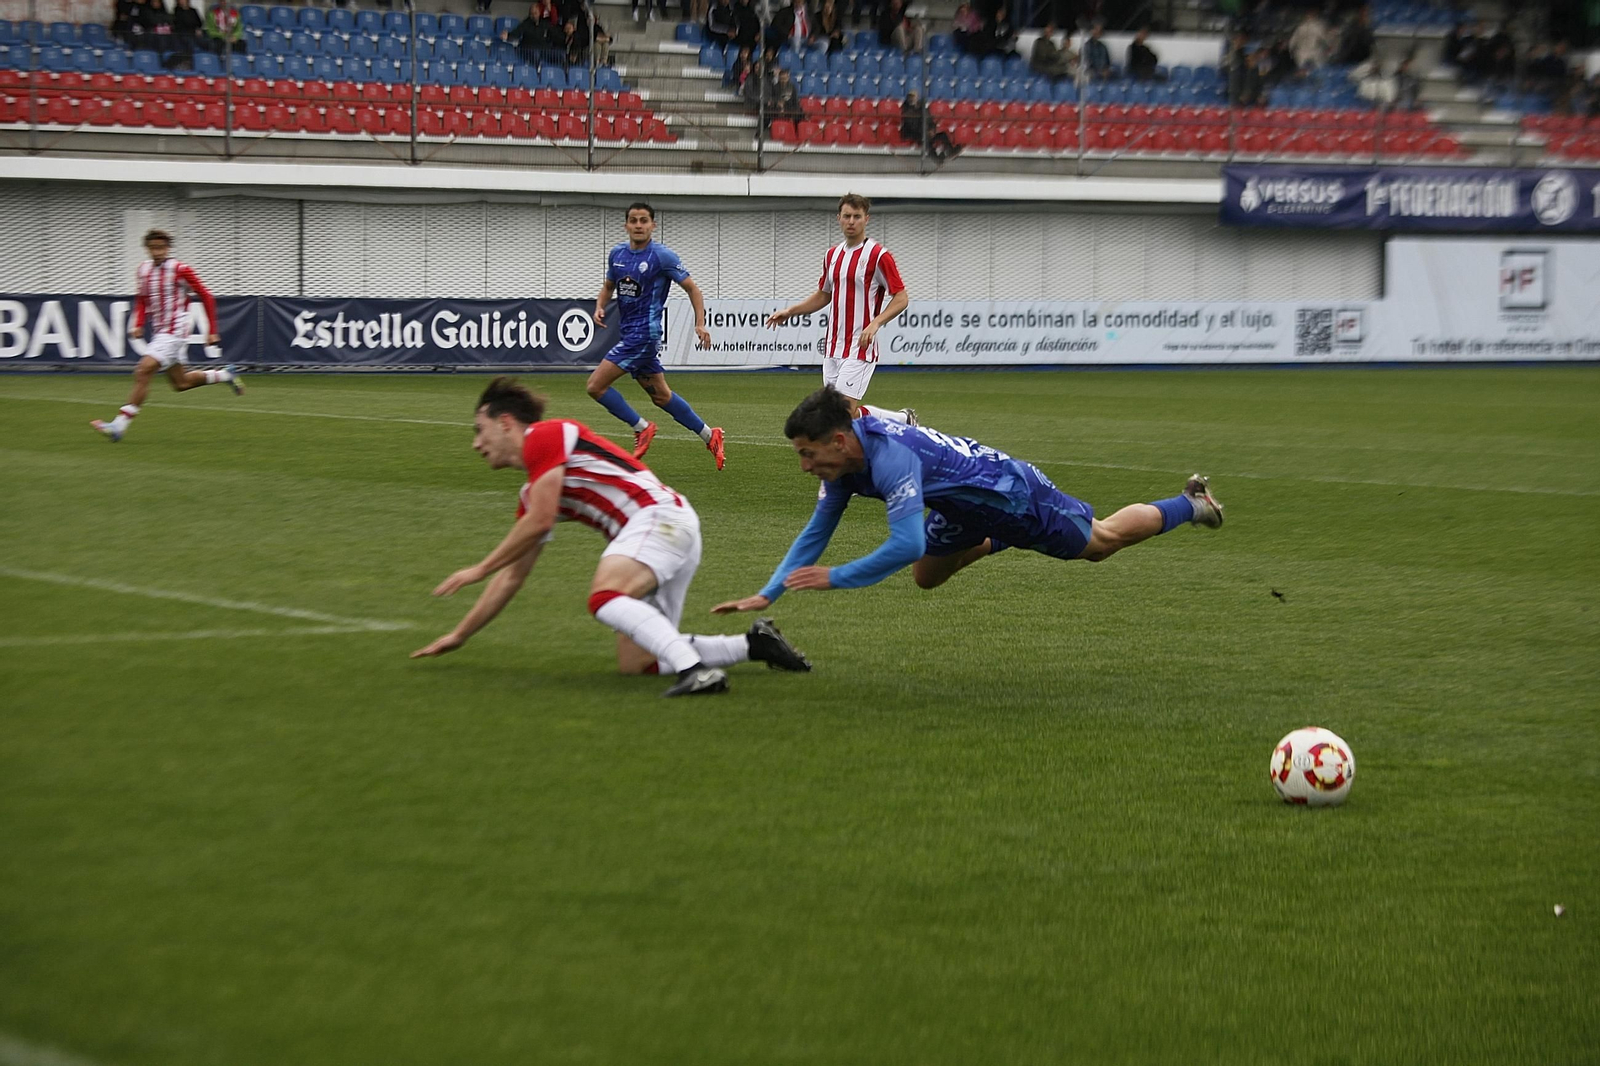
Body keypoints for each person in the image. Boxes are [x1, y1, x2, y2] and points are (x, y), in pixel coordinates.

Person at [411, 380, 812, 697]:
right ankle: (752, 646)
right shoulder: (532, 494)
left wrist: (478, 568)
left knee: (605, 597)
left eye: (479, 431)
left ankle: (696, 672)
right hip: (668, 531)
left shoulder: (546, 435)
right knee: (638, 662)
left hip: (657, 520)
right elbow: (512, 577)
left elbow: (540, 520)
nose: (476, 443)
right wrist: (459, 635)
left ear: (505, 424)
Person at [709, 387, 1223, 616]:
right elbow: (817, 531)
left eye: (807, 453)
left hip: (1011, 494)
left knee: (1100, 542)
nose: (804, 465)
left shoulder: (889, 458)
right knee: (928, 578)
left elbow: (906, 542)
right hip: (961, 508)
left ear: (838, 441)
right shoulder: (845, 460)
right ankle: (993, 539)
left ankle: (1189, 502)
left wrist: (835, 576)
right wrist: (768, 592)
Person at [589, 203, 725, 469]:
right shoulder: (617, 254)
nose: (638, 225)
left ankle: (642, 428)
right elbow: (608, 286)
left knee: (595, 386)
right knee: (661, 396)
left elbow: (693, 289)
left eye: (643, 221)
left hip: (643, 336)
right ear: (626, 225)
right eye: (633, 220)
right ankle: (710, 435)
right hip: (630, 333)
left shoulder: (662, 256)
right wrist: (599, 306)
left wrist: (700, 323)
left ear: (653, 225)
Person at [764, 194, 916, 426]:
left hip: (859, 347)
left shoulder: (878, 256)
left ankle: (866, 451)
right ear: (839, 218)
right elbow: (824, 294)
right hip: (833, 347)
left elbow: (901, 297)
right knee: (835, 414)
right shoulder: (832, 255)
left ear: (867, 219)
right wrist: (790, 311)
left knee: (842, 413)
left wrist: (875, 324)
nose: (851, 221)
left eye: (857, 216)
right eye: (847, 216)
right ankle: (900, 420)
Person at [91, 229, 242, 443]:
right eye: (153, 248)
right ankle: (225, 375)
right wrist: (139, 323)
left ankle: (119, 425)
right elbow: (143, 299)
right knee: (181, 383)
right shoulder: (143, 270)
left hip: (176, 331)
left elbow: (206, 296)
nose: (157, 252)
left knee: (143, 370)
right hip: (161, 331)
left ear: (168, 248)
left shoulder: (180, 269)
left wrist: (212, 329)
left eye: (161, 247)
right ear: (147, 249)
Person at [900, 89, 958, 161]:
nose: (911, 99)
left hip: (924, 131)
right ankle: (936, 159)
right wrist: (926, 131)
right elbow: (911, 124)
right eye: (910, 97)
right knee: (925, 139)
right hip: (912, 132)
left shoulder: (922, 107)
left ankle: (951, 151)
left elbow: (929, 119)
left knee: (943, 135)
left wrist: (932, 129)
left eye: (913, 97)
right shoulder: (906, 108)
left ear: (917, 97)